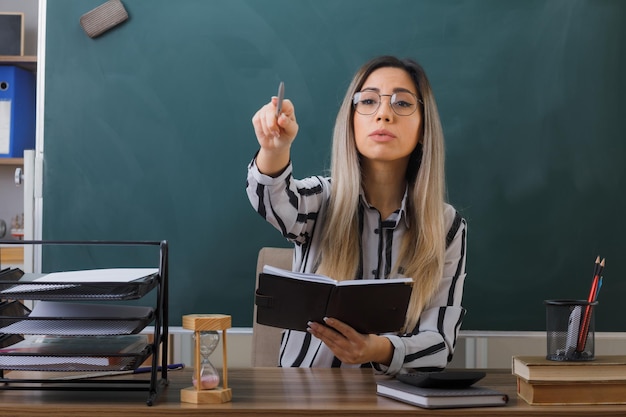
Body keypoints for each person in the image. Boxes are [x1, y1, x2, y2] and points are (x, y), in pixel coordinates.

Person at [246, 55, 467, 375]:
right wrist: (274, 149)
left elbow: (439, 344)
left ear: (423, 129)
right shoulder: (322, 200)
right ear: (351, 121)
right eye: (369, 101)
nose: (384, 114)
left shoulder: (446, 226)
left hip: (394, 400)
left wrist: (377, 349)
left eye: (402, 104)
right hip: (302, 399)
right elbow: (272, 199)